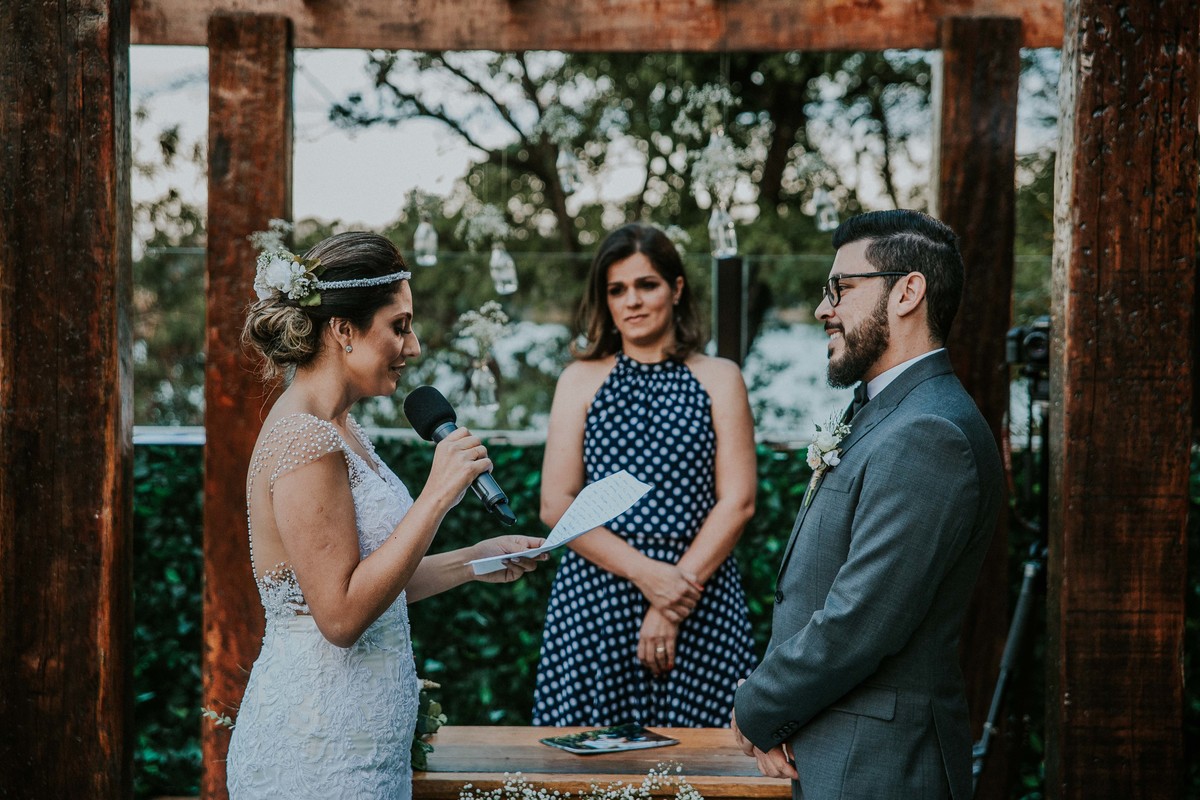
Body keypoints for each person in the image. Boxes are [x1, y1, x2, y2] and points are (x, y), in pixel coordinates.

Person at [225, 231, 545, 799]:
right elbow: (341, 617)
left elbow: (368, 581)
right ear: (343, 330)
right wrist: (436, 495)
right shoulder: (305, 438)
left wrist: (475, 561)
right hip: (319, 752)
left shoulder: (340, 428)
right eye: (399, 326)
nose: (413, 347)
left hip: (365, 744)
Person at [731, 210, 1004, 799]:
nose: (822, 309)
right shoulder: (887, 411)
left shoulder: (929, 432)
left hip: (881, 765)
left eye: (842, 288)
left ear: (908, 292)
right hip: (838, 749)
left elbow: (862, 619)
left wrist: (758, 705)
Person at [533, 223, 758, 727]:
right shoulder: (579, 380)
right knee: (590, 760)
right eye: (617, 289)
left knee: (708, 760)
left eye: (646, 285)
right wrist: (648, 575)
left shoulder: (720, 377)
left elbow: (738, 501)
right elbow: (556, 504)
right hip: (598, 595)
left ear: (676, 289)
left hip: (700, 592)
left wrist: (672, 599)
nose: (632, 301)